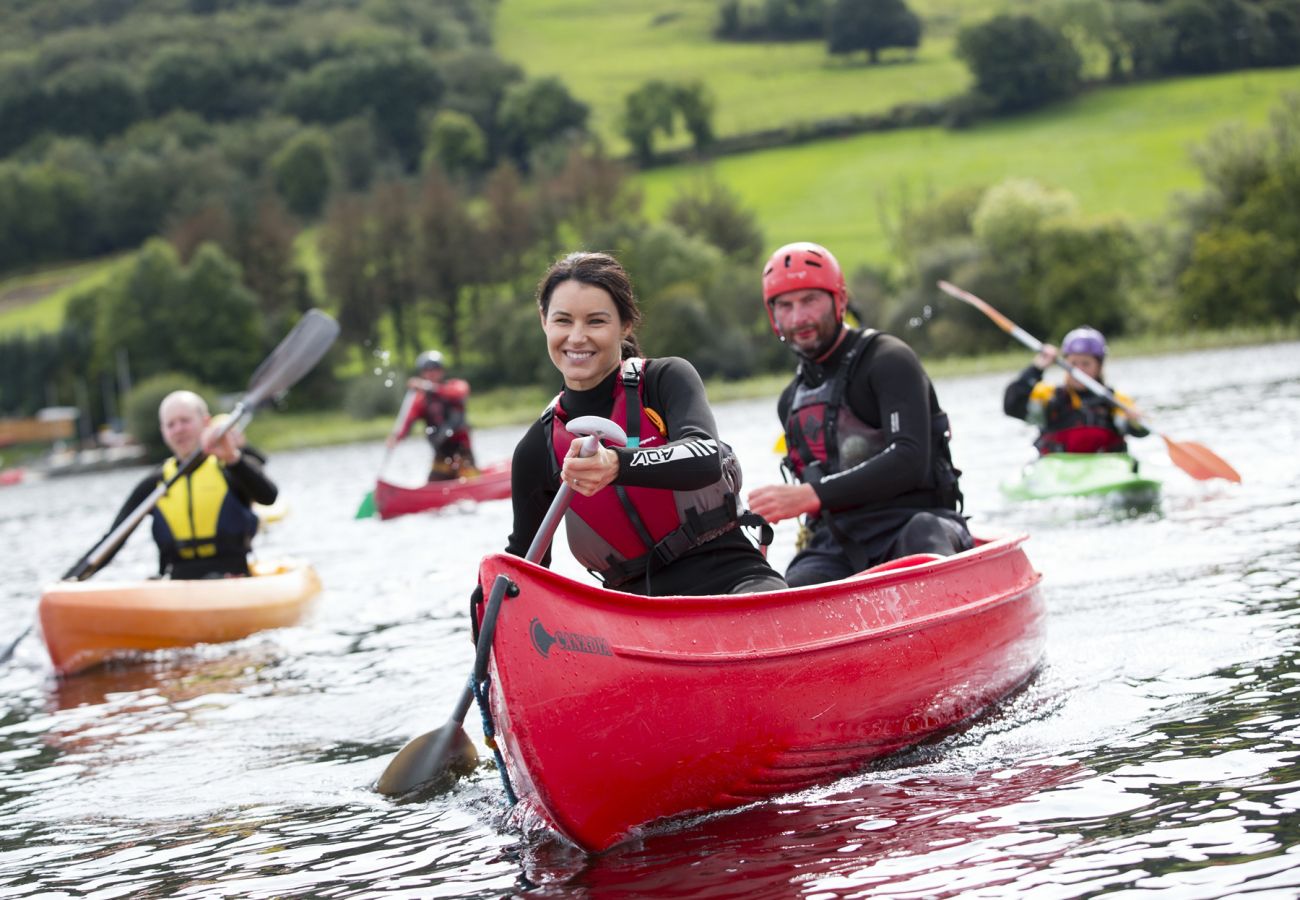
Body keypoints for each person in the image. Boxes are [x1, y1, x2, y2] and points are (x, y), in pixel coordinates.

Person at [503, 250, 785, 596]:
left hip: (734, 579)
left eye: (596, 321)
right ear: (543, 320)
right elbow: (524, 566)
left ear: (625, 325)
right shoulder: (538, 449)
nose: (577, 337)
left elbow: (706, 456)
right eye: (563, 321)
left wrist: (616, 463)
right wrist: (490, 600)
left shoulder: (665, 380)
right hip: (633, 617)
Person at [746, 241, 971, 588]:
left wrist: (810, 495)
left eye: (810, 300)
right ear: (772, 316)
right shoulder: (790, 401)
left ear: (840, 300)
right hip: (838, 543)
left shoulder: (888, 360)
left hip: (918, 524)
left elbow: (909, 459)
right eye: (785, 306)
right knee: (796, 582)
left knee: (922, 533)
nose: (798, 318)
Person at [94, 390, 278, 579]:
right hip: (176, 582)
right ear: (163, 432)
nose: (178, 429)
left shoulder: (229, 468)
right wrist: (69, 582)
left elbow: (269, 496)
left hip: (232, 577)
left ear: (205, 422)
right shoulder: (154, 484)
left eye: (185, 421)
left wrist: (233, 458)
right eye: (171, 424)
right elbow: (113, 540)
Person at [1003, 326, 1149, 455]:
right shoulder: (1048, 395)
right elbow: (1011, 406)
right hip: (1058, 472)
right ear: (1065, 363)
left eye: (1086, 364)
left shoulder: (1116, 400)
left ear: (1099, 366)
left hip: (1105, 469)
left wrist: (1136, 422)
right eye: (1073, 363)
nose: (1078, 370)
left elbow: (1140, 431)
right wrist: (1036, 368)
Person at [386, 350, 478, 481]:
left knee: (469, 479)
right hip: (441, 454)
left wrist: (426, 386)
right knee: (434, 483)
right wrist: (396, 437)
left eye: (435, 369)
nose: (432, 373)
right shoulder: (420, 400)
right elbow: (408, 420)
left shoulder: (455, 386)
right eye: (427, 370)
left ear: (442, 371)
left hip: (462, 452)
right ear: (422, 373)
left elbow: (460, 393)